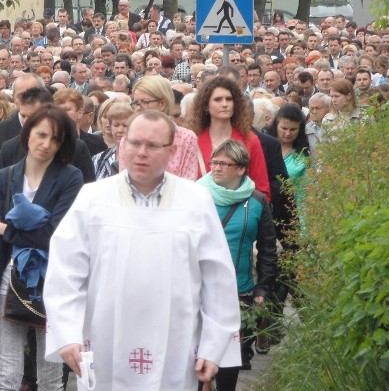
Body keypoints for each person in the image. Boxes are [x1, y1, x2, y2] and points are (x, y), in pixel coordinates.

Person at [43, 110, 241, 390]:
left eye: (152, 145)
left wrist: (214, 344)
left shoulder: (196, 201)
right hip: (105, 339)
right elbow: (65, 271)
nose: (141, 153)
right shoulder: (93, 198)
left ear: (171, 151)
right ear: (123, 144)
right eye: (135, 143)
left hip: (176, 342)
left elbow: (218, 278)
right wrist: (67, 333)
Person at [0, 106, 84, 391]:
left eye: (55, 139)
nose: (46, 144)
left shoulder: (70, 177)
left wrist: (7, 229)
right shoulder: (6, 177)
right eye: (41, 135)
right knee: (7, 374)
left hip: (53, 282)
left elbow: (55, 236)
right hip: (8, 281)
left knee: (51, 374)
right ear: (27, 134)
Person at [198, 140, 278, 389]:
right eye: (214, 162)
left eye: (224, 163)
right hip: (198, 291)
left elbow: (267, 246)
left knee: (230, 363)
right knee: (196, 363)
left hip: (238, 292)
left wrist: (263, 287)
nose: (216, 168)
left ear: (241, 168)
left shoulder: (256, 201)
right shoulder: (196, 195)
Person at [192, 76, 271, 202]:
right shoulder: (193, 142)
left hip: (241, 216)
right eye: (218, 100)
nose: (225, 104)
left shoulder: (250, 141)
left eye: (229, 99)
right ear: (206, 106)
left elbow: (262, 190)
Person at [117, 75, 201, 180]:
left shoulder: (186, 138)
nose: (138, 108)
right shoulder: (127, 140)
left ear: (162, 104)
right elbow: (125, 183)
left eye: (145, 102)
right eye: (136, 103)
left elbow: (188, 183)